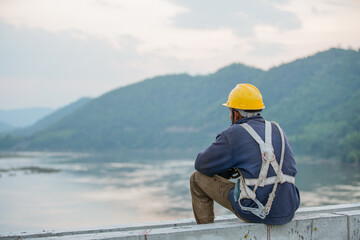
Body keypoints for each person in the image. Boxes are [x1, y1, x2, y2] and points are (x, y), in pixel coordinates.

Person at [190, 83, 300, 225]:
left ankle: (205, 233)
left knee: (197, 179)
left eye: (230, 111)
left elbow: (201, 164)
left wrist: (228, 168)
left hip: (257, 211)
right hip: (288, 209)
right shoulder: (277, 129)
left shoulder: (234, 133)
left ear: (235, 113)